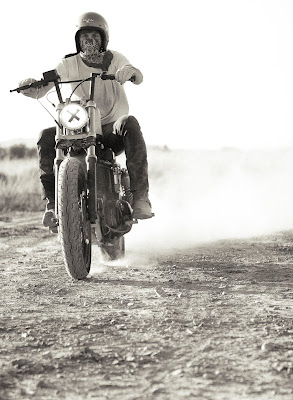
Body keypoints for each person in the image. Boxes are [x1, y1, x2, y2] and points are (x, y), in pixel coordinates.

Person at [19, 11, 152, 229]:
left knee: (130, 122)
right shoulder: (68, 64)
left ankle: (140, 198)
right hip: (80, 126)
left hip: (110, 129)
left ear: (103, 40)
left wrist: (128, 72)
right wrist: (30, 86)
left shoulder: (115, 58)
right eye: (84, 37)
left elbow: (135, 75)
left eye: (94, 37)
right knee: (45, 136)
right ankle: (52, 205)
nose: (89, 42)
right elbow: (43, 88)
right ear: (78, 40)